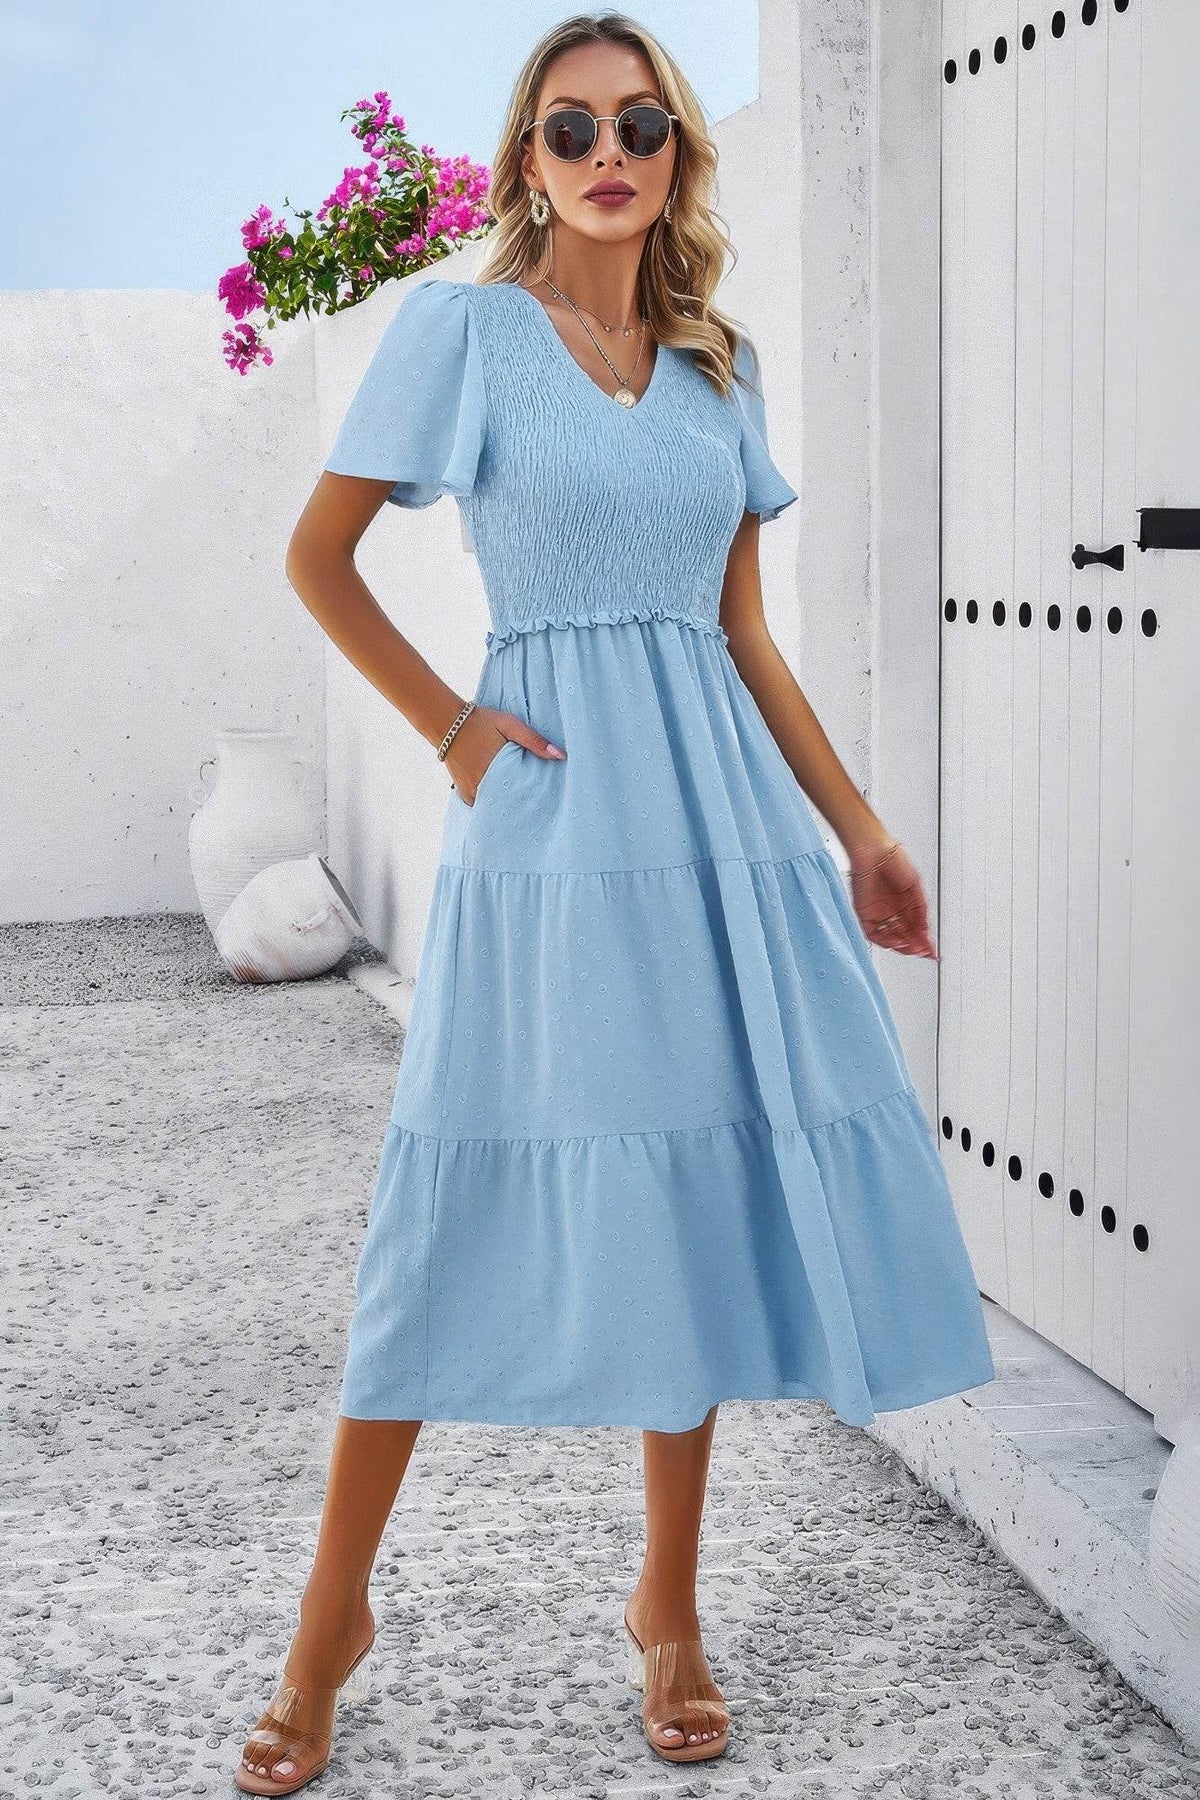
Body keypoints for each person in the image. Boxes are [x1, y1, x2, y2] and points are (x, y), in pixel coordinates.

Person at [233, 12, 995, 1793]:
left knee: (689, 1181)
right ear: (528, 156)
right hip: (555, 819)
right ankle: (328, 1618)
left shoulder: (722, 365)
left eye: (639, 125)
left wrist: (862, 831)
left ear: (675, 155)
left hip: (719, 820)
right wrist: (455, 733)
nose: (607, 153)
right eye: (570, 127)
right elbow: (318, 557)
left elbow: (743, 637)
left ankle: (668, 1603)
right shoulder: (464, 332)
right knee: (447, 1195)